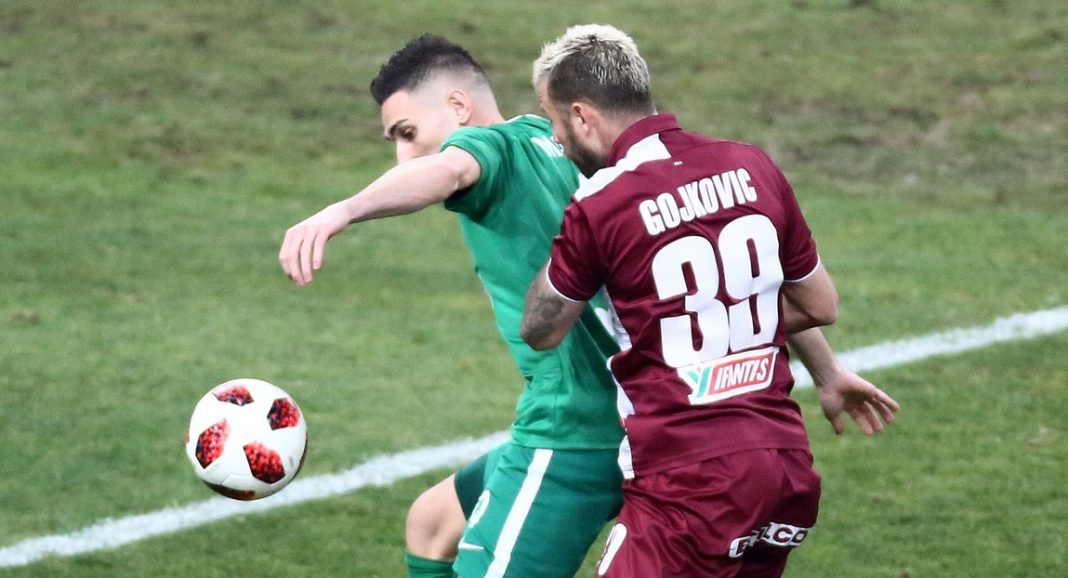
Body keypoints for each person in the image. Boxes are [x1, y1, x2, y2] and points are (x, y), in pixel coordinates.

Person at [281, 34, 895, 578]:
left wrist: (342, 211)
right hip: (666, 419)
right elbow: (728, 289)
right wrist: (826, 370)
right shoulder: (575, 151)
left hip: (575, 429)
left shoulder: (487, 150)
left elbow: (446, 172)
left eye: (407, 134)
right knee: (432, 521)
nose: (403, 155)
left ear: (459, 107)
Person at [521, 24, 900, 578]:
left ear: (581, 116)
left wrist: (558, 230)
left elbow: (541, 329)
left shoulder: (603, 202)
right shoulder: (751, 164)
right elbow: (819, 303)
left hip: (688, 482)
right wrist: (809, 362)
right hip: (784, 471)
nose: (557, 139)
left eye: (554, 122)